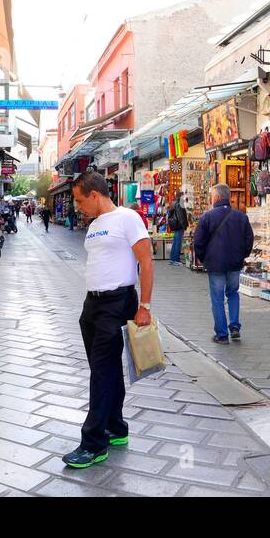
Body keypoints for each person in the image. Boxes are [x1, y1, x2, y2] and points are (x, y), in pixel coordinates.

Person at [62, 171, 154, 469]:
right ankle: (116, 426)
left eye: (79, 200)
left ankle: (93, 443)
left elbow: (146, 261)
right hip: (93, 304)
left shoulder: (127, 218)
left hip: (118, 302)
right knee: (105, 368)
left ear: (94, 195)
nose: (77, 206)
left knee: (101, 371)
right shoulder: (94, 225)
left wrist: (145, 305)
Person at [192, 184, 253, 345]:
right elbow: (249, 241)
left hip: (215, 264)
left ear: (217, 197)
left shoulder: (208, 217)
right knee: (233, 293)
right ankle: (234, 327)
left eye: (212, 196)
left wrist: (204, 258)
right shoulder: (241, 217)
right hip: (234, 263)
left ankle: (222, 334)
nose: (211, 199)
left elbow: (198, 242)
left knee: (217, 299)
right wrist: (242, 256)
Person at [166, 198, 190, 266]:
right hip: (179, 226)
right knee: (178, 243)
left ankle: (172, 259)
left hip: (176, 225)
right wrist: (184, 226)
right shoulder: (180, 204)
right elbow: (181, 216)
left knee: (175, 242)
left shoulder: (174, 203)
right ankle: (176, 259)